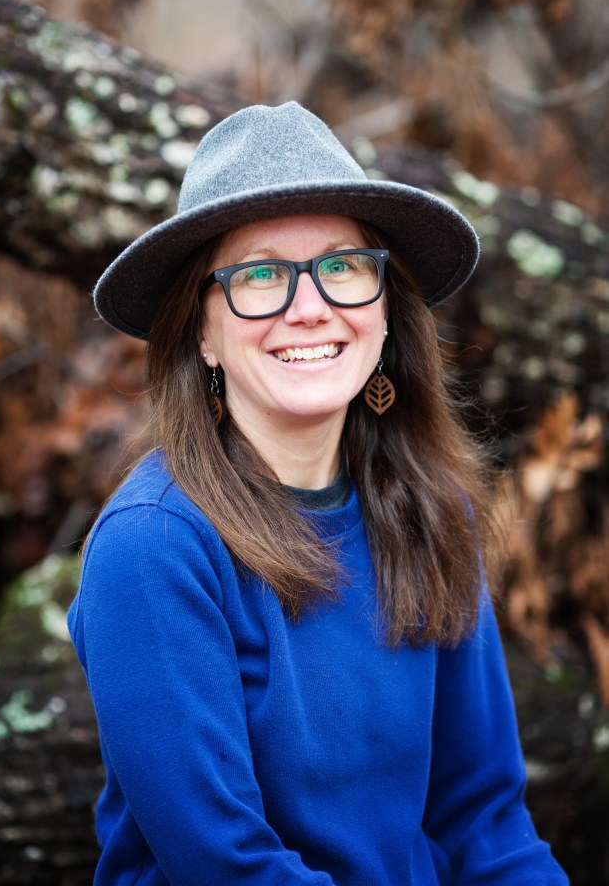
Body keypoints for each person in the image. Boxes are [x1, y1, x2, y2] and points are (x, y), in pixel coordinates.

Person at [68, 101, 568, 885]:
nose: (310, 308)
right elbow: (227, 866)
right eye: (259, 275)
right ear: (200, 332)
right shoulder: (154, 546)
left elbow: (484, 823)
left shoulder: (434, 511)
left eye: (341, 267)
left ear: (384, 306)